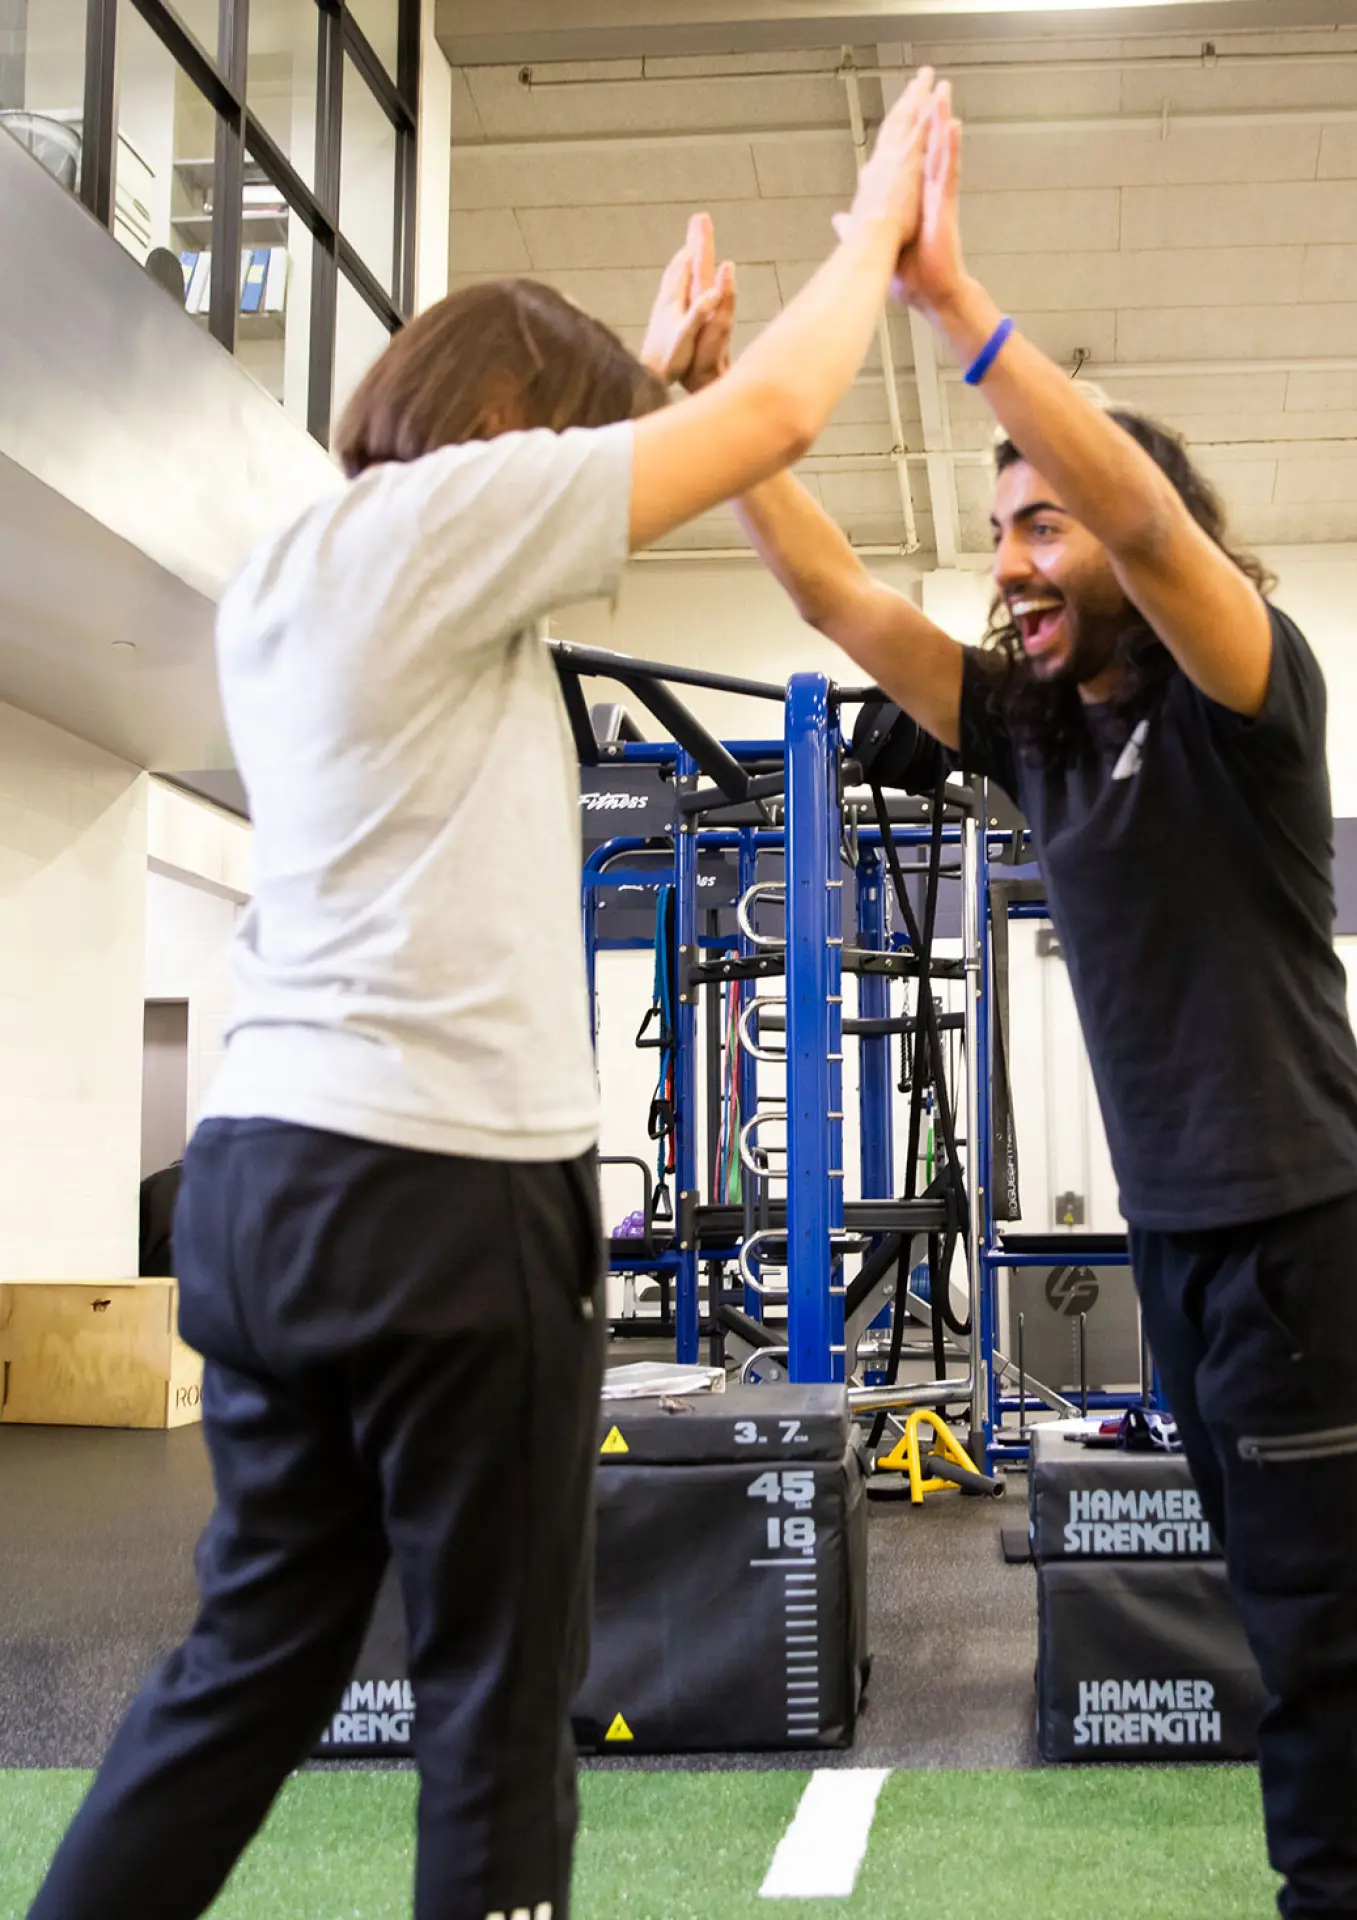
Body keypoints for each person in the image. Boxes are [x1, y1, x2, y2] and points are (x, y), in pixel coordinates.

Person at [26, 69, 951, 1920]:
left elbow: (619, 447)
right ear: (512, 428)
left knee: (257, 1661)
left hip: (269, 1187)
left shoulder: (312, 558)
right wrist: (873, 240)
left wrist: (645, 378)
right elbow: (779, 408)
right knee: (498, 1699)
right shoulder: (445, 534)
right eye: (578, 433)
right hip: (444, 1195)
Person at [686, 111, 1357, 1919]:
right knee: (1299, 1550)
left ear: (1149, 540)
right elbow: (833, 590)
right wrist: (722, 394)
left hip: (1303, 1224)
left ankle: (1334, 1883)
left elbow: (1131, 500)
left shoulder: (1248, 692)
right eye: (998, 531)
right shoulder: (1038, 736)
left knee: (1295, 1602)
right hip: (1186, 1233)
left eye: (1041, 520)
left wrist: (952, 296)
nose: (1018, 557)